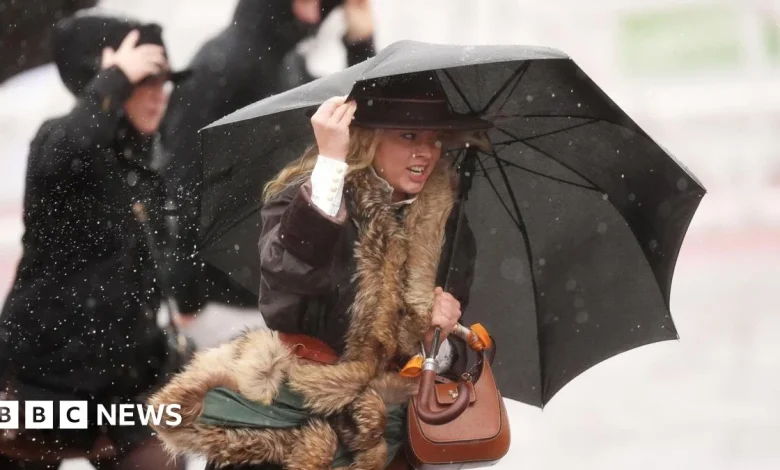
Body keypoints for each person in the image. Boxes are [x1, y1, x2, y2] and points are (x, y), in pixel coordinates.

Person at [148, 72, 490, 469]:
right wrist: (331, 162)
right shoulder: (310, 197)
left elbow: (460, 349)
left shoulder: (449, 226)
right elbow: (285, 286)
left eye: (434, 140)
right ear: (369, 136)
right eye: (409, 137)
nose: (426, 153)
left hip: (386, 430)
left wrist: (442, 341)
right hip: (291, 414)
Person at [0, 11, 196, 470]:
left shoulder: (142, 159)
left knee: (163, 460)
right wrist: (114, 79)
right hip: (44, 378)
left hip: (127, 380)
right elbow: (67, 149)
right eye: (146, 81)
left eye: (164, 81)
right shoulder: (61, 140)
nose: (159, 94)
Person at [160, 0, 378, 312]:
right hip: (219, 298)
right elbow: (182, 180)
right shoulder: (223, 65)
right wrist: (185, 297)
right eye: (308, 2)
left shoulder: (287, 62)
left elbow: (351, 117)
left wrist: (360, 44)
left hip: (269, 288)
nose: (316, 15)